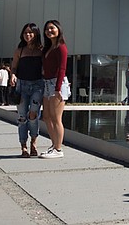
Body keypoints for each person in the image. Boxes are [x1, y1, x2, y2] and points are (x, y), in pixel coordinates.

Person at [11, 23, 44, 158]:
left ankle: (34, 142)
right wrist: (12, 75)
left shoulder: (41, 50)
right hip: (22, 85)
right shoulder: (20, 50)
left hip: (37, 85)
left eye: (31, 32)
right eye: (25, 32)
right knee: (22, 117)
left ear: (36, 34)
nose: (28, 35)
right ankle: (23, 145)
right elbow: (14, 67)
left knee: (33, 114)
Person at [39, 20, 70, 159]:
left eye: (52, 28)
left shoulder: (61, 47)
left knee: (56, 118)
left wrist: (58, 88)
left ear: (59, 29)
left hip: (57, 83)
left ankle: (58, 148)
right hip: (47, 83)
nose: (49, 31)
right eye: (47, 29)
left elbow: (62, 68)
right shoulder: (48, 48)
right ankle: (54, 145)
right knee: (46, 116)